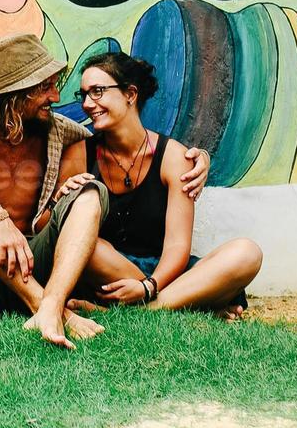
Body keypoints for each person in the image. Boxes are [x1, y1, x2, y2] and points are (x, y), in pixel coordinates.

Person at [0, 34, 211, 348]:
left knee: (88, 191)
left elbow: (120, 145)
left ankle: (50, 305)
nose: (56, 96)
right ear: (16, 92)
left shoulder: (62, 133)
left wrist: (199, 158)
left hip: (32, 263)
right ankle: (45, 306)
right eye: (45, 87)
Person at [58, 52, 261, 319]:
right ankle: (195, 301)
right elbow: (51, 232)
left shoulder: (174, 157)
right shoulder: (78, 155)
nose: (86, 104)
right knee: (87, 245)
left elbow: (178, 247)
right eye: (83, 94)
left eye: (97, 92)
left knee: (247, 253)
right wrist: (61, 198)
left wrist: (147, 287)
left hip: (165, 271)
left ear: (130, 94)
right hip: (108, 271)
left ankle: (150, 308)